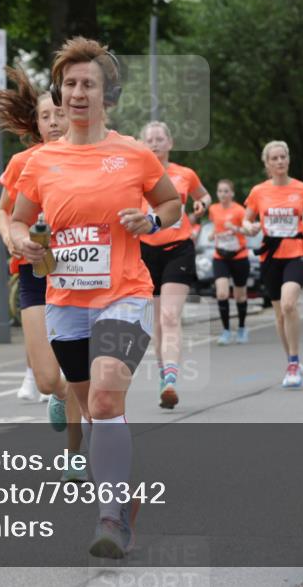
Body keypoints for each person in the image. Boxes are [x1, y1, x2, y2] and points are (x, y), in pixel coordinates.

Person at [10, 37, 180, 558]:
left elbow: (171, 204)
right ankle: (122, 498)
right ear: (60, 93)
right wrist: (22, 240)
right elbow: (18, 219)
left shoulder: (133, 154)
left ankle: (110, 518)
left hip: (124, 294)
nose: (79, 93)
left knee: (106, 396)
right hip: (65, 302)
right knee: (89, 409)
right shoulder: (41, 161)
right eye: (70, 84)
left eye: (89, 84)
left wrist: (151, 221)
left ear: (107, 94)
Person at [0, 66, 85, 481]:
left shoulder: (88, 159)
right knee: (47, 379)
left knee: (79, 370)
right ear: (37, 124)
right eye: (45, 116)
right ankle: (59, 394)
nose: (53, 122)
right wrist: (12, 237)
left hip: (79, 273)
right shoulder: (24, 162)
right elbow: (3, 211)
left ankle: (75, 455)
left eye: (58, 114)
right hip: (34, 272)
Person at [138, 120, 211, 409]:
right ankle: (163, 375)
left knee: (170, 316)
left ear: (170, 143)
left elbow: (203, 195)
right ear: (143, 145)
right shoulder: (136, 176)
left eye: (160, 139)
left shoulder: (185, 174)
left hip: (178, 250)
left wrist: (202, 204)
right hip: (145, 251)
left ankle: (170, 379)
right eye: (150, 139)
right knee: (157, 322)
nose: (155, 143)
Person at [242, 140, 303, 388]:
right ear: (267, 164)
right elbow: (246, 219)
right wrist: (249, 227)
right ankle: (290, 359)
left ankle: (293, 363)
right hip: (271, 256)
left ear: (288, 159)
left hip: (296, 252)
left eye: (283, 157)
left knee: (288, 304)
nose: (280, 161)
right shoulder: (258, 191)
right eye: (274, 158)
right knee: (279, 313)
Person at [208, 179, 250, 345]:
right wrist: (212, 235)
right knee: (222, 293)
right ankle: (226, 331)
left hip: (239, 256)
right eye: (220, 191)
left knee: (240, 295)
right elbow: (215, 227)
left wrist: (235, 228)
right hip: (220, 257)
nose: (223, 194)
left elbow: (247, 230)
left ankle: (241, 328)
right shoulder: (213, 209)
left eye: (226, 191)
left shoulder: (239, 210)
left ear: (232, 193)